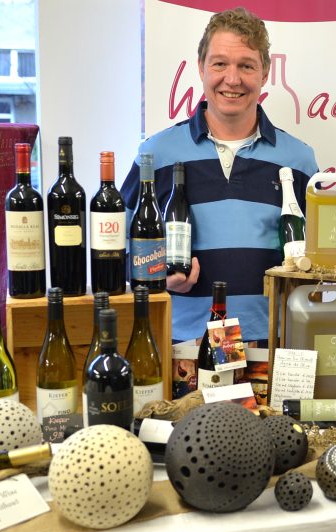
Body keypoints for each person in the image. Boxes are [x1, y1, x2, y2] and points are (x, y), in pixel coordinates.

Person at [121, 8, 319, 344]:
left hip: (272, 346)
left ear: (265, 72)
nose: (232, 78)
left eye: (246, 65)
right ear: (201, 67)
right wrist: (153, 276)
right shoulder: (155, 155)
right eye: (219, 64)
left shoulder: (299, 159)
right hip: (181, 347)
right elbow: (116, 251)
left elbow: (318, 259)